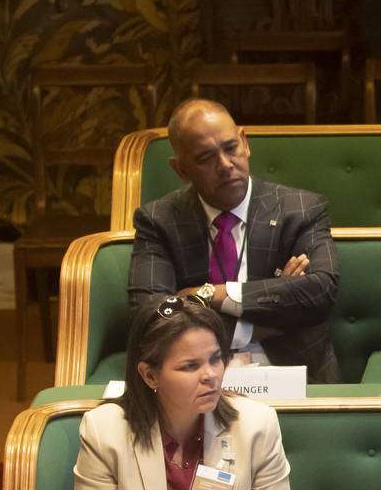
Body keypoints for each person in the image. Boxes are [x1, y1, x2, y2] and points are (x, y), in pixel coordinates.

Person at [73, 295, 296, 490]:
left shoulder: (256, 424)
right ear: (150, 376)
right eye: (190, 366)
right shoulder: (105, 431)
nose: (210, 375)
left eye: (215, 359)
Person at [129, 98, 341, 381]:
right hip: (196, 378)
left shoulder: (301, 209)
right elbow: (152, 314)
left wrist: (206, 295)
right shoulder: (158, 221)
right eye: (206, 158)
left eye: (231, 148)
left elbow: (320, 290)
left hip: (293, 373)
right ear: (181, 169)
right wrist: (259, 325)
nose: (225, 165)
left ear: (244, 142)